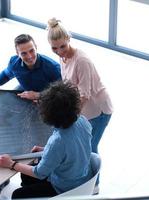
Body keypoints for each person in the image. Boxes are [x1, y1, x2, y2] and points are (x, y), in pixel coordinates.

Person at [0, 81, 93, 198]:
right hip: (81, 177)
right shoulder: (83, 121)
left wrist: (11, 163)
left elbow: (39, 173)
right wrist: (46, 150)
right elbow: (73, 147)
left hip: (65, 188)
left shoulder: (57, 141)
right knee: (26, 175)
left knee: (17, 195)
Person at [46, 18, 113, 153]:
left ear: (69, 39)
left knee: (89, 149)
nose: (59, 51)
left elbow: (84, 95)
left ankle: (94, 175)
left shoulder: (82, 61)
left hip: (98, 110)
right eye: (54, 48)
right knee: (82, 147)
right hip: (83, 109)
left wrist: (70, 118)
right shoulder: (63, 57)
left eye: (62, 46)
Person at [0, 34, 61, 100]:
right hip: (25, 90)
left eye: (32, 51)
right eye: (23, 53)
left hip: (47, 97)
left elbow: (60, 92)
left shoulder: (53, 67)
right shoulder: (14, 61)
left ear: (36, 48)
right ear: (17, 53)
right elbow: (6, 74)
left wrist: (39, 95)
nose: (29, 56)